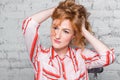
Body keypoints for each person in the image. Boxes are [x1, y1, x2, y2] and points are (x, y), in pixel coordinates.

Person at [22, 0, 115, 80]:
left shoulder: (81, 56)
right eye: (55, 28)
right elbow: (28, 24)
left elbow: (108, 57)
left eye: (66, 31)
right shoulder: (39, 56)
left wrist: (83, 30)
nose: (57, 36)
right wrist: (57, 10)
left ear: (73, 35)